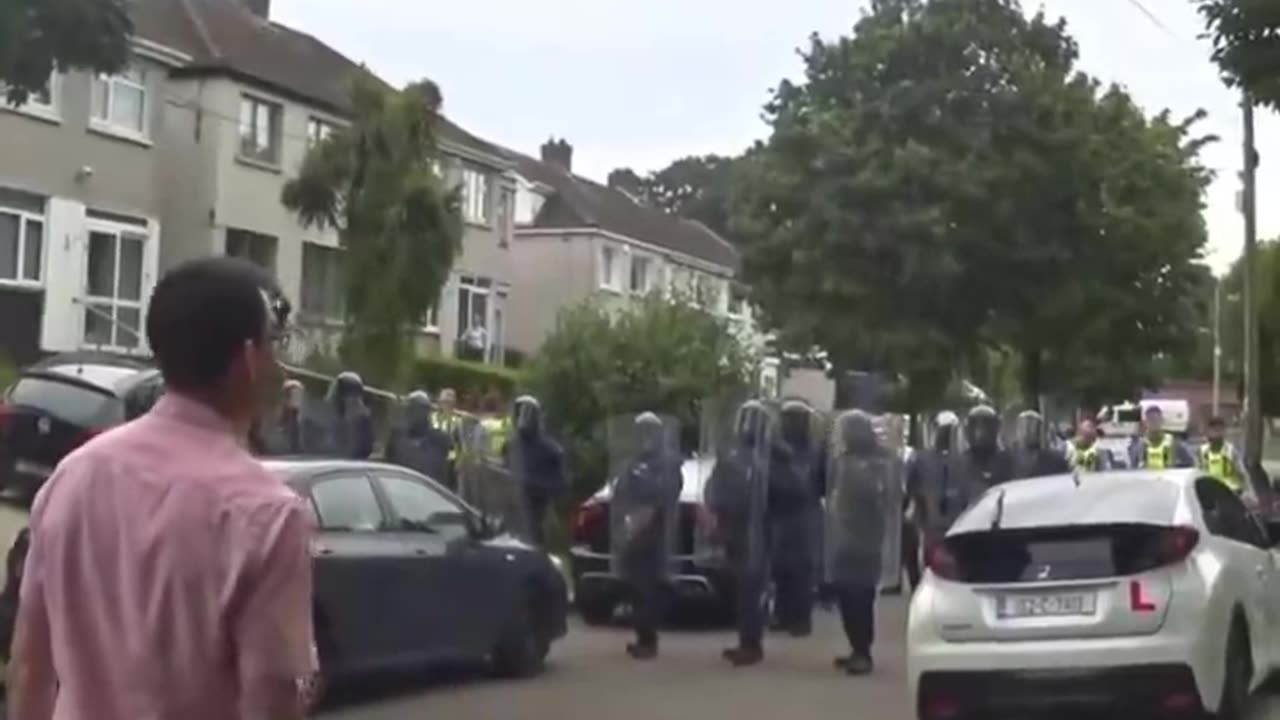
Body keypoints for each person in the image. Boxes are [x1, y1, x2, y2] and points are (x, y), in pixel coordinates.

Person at [8, 257, 313, 720]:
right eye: (275, 344)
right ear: (249, 360)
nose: (279, 363)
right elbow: (270, 703)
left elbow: (30, 667)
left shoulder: (72, 478)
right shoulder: (266, 514)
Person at [825, 410, 903, 675]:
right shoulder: (843, 460)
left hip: (867, 538)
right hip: (843, 538)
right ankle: (855, 648)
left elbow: (885, 495)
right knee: (846, 597)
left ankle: (863, 652)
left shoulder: (880, 461)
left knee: (860, 597)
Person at [704, 400, 774, 667]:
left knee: (751, 589)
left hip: (756, 529)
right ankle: (746, 641)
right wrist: (715, 509)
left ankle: (751, 645)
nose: (747, 426)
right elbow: (714, 484)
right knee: (741, 589)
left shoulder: (770, 456)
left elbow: (775, 495)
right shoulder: (733, 453)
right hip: (733, 527)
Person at [609, 413, 683, 659]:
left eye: (650, 431)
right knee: (634, 584)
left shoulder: (667, 463)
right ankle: (643, 635)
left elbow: (668, 492)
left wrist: (647, 511)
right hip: (632, 529)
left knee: (646, 586)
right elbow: (620, 491)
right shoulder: (633, 462)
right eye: (642, 432)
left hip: (653, 531)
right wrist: (626, 518)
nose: (645, 437)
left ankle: (648, 640)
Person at [768, 399, 824, 637]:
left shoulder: (814, 451)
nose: (791, 424)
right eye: (788, 419)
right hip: (779, 512)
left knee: (802, 568)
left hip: (804, 513)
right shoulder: (775, 450)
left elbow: (823, 481)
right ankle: (782, 613)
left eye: (796, 419)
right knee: (780, 567)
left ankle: (801, 619)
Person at [905, 410, 959, 587]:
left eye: (949, 430)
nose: (944, 435)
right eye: (942, 430)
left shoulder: (961, 459)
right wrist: (914, 507)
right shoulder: (922, 458)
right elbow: (910, 486)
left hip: (954, 522)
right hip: (929, 523)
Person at [506, 396, 567, 546]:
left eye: (527, 413)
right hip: (516, 504)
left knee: (535, 539)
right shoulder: (512, 445)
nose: (522, 418)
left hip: (538, 505)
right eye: (520, 413)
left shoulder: (550, 449)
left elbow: (561, 480)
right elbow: (506, 469)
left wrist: (540, 488)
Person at [386, 391, 452, 483]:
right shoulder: (397, 437)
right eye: (410, 410)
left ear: (426, 413)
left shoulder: (439, 440)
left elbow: (445, 472)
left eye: (416, 410)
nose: (411, 414)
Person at [1009, 409, 1070, 480]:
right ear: (1017, 430)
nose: (1026, 431)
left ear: (1040, 431)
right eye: (1023, 426)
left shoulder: (1055, 462)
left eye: (1032, 427)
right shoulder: (1005, 461)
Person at [1129, 405, 1193, 469]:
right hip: (1146, 478)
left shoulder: (1174, 443)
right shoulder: (1139, 446)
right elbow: (1133, 469)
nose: (1154, 423)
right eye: (1151, 420)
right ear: (1145, 422)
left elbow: (1190, 464)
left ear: (1162, 420)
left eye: (1157, 419)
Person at [1199, 417, 1247, 494]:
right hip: (1210, 492)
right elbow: (1198, 473)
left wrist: (1242, 490)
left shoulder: (1231, 451)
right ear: (1208, 432)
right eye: (1214, 430)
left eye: (1219, 430)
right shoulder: (1202, 451)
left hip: (1230, 491)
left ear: (1224, 432)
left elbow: (1241, 473)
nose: (1216, 433)